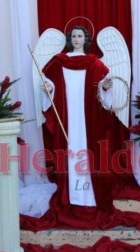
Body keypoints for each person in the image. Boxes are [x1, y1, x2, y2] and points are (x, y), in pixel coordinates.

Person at [40, 25, 118, 211]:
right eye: (74, 36)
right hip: (67, 113)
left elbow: (101, 89)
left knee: (86, 148)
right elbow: (49, 80)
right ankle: (70, 193)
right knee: (70, 150)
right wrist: (50, 89)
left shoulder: (94, 63)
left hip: (87, 116)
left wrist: (106, 87)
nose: (76, 39)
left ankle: (88, 194)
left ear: (85, 39)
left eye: (80, 36)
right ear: (70, 39)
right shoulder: (59, 61)